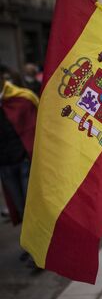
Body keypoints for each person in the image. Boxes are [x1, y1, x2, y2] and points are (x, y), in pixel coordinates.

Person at [0, 64, 38, 225]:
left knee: (34, 206)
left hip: (25, 161)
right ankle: (33, 247)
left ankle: (45, 246)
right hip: (5, 165)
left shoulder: (23, 98)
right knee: (21, 208)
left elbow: (36, 126)